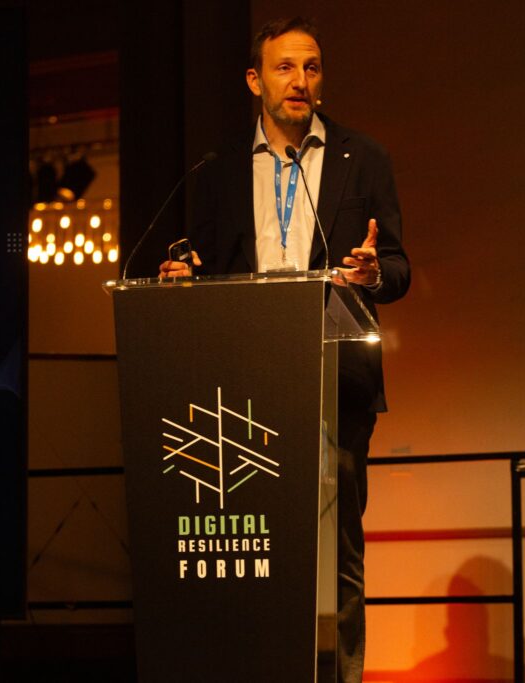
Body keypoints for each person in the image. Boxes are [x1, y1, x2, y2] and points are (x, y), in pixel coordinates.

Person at [158, 17, 409, 683]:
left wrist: (371, 271)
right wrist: (186, 279)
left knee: (338, 554)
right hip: (245, 385)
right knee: (254, 548)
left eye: (313, 67)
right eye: (284, 67)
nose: (301, 81)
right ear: (254, 80)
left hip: (338, 379)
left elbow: (400, 267)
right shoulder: (217, 171)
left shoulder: (365, 158)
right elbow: (208, 266)